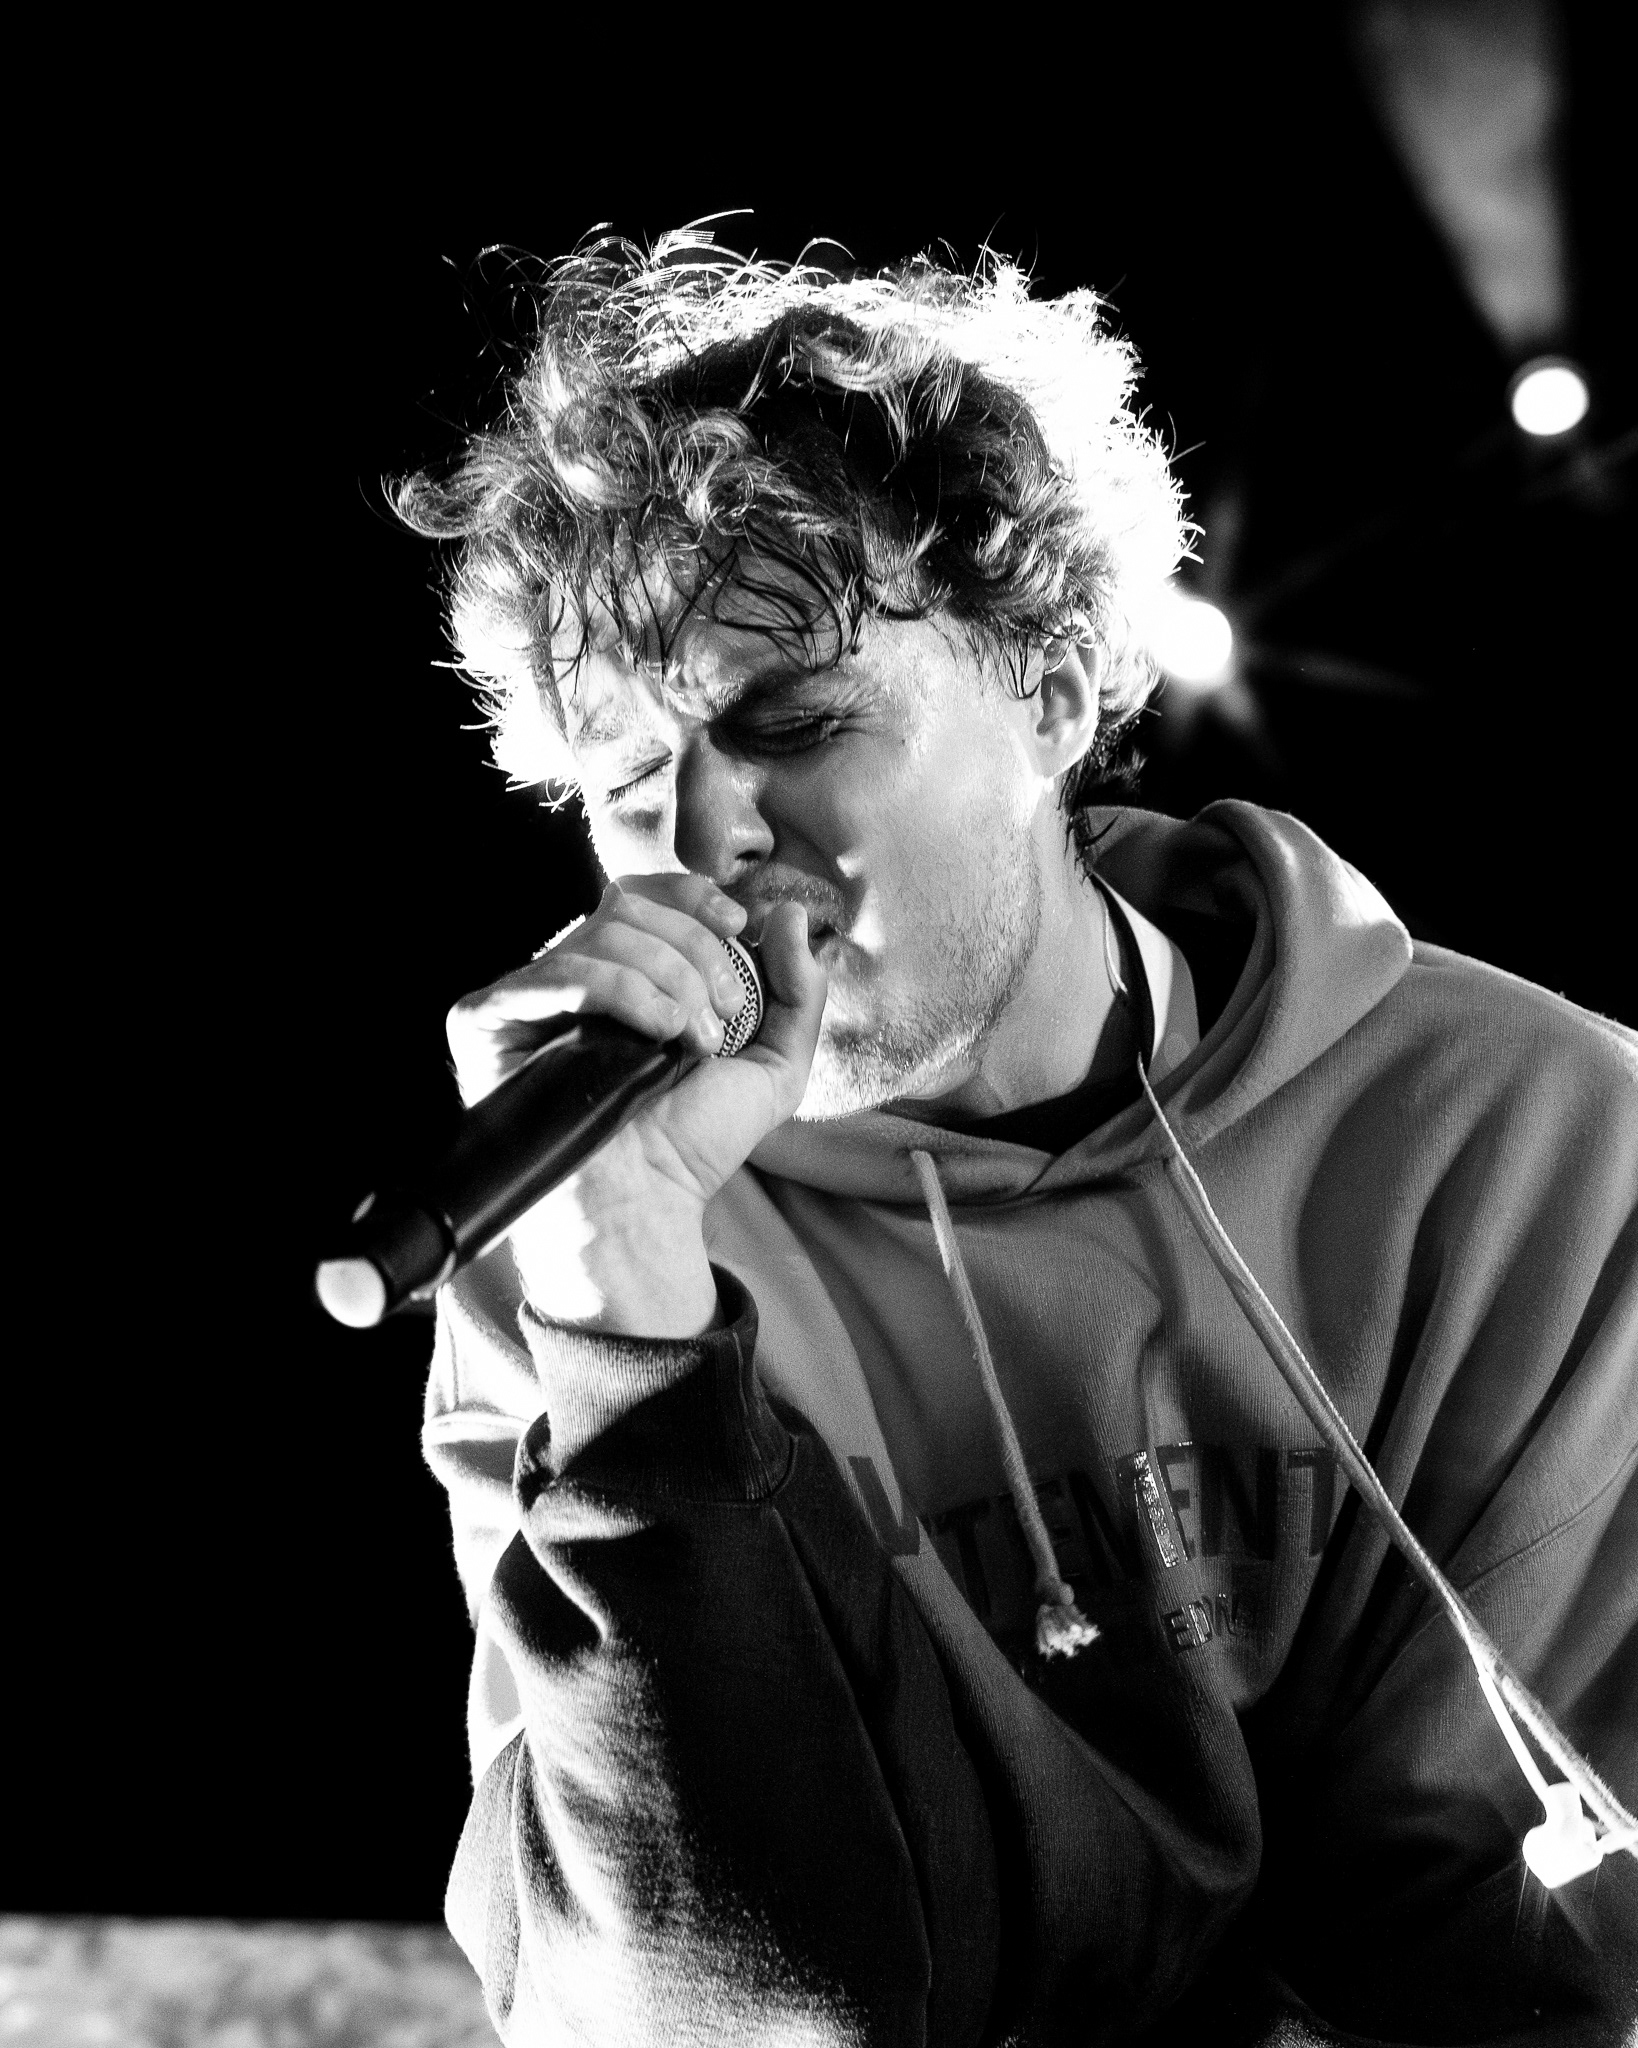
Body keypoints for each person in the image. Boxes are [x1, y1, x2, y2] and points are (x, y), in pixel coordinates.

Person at [397, 231, 1637, 2046]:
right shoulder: (585, 1227)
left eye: (793, 720)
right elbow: (677, 2008)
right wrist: (628, 1346)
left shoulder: (1534, 1134)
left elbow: (1529, 1955)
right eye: (625, 779)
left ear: (1053, 691)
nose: (704, 839)